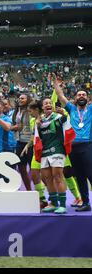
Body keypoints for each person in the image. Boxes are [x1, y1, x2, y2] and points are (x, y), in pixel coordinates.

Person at [53, 75, 92, 212]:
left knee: (90, 174)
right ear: (75, 98)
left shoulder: (91, 109)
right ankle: (86, 203)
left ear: (87, 98)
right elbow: (60, 95)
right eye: (79, 94)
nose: (81, 96)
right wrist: (55, 83)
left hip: (87, 146)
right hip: (73, 147)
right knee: (80, 177)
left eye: (84, 94)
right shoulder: (71, 108)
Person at [34, 97, 75, 214]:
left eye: (50, 103)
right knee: (47, 178)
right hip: (45, 152)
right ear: (42, 107)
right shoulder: (40, 122)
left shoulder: (58, 118)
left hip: (57, 150)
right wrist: (36, 125)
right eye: (45, 103)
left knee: (57, 177)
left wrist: (63, 115)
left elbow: (65, 122)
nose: (48, 104)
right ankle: (54, 203)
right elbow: (38, 138)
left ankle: (62, 205)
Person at [11, 94, 33, 191]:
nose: (20, 99)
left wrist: (12, 128)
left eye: (23, 98)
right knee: (21, 168)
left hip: (31, 143)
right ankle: (29, 190)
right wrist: (13, 128)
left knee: (34, 169)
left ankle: (41, 194)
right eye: (19, 98)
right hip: (20, 142)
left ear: (28, 100)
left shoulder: (30, 110)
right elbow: (17, 125)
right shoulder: (17, 111)